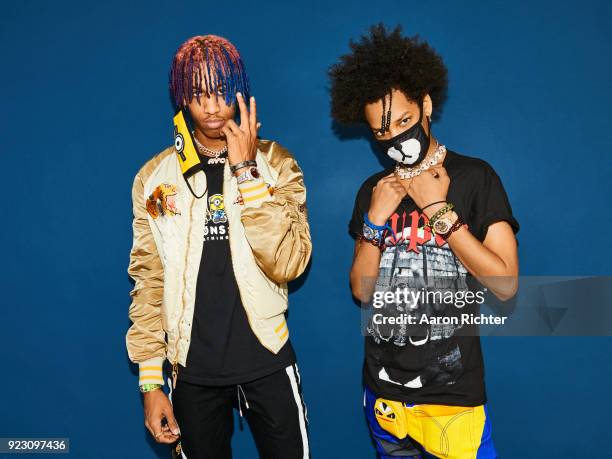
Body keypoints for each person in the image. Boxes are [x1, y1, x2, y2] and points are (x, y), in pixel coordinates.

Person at [328, 24, 520, 459]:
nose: (395, 138)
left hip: (452, 400)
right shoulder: (371, 192)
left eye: (404, 121)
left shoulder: (475, 177)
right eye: (382, 132)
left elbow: (506, 283)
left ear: (427, 105)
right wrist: (375, 220)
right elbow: (361, 289)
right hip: (383, 397)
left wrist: (439, 211)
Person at [126, 35, 311, 459]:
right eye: (198, 94)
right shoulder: (154, 178)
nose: (211, 108)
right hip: (191, 369)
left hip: (267, 357)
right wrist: (151, 383)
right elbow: (148, 281)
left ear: (241, 92)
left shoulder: (276, 163)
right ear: (181, 98)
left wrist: (246, 171)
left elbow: (290, 263)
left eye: (222, 93)